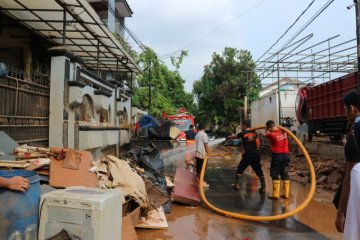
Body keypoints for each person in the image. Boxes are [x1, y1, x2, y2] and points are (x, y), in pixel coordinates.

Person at [334, 89, 360, 237]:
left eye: (345, 109)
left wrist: (340, 213)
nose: (344, 113)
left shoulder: (354, 134)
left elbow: (349, 178)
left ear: (352, 108)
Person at [226, 120, 265, 192]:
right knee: (259, 171)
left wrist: (229, 137)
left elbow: (235, 136)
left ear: (244, 125)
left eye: (242, 125)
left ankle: (236, 185)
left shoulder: (242, 133)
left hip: (248, 155)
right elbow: (256, 143)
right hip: (256, 155)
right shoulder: (254, 133)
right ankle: (263, 187)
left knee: (239, 170)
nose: (242, 127)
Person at [264, 120, 290, 199]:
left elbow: (265, 134)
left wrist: (266, 130)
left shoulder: (271, 134)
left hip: (277, 156)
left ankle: (276, 194)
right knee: (284, 174)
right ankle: (286, 194)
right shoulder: (284, 131)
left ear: (269, 128)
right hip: (286, 156)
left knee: (274, 174)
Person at [195, 123, 211, 188]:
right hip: (202, 154)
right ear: (204, 128)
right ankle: (202, 183)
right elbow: (206, 144)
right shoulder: (204, 134)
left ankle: (199, 181)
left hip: (197, 154)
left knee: (198, 169)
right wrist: (208, 152)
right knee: (202, 170)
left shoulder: (197, 135)